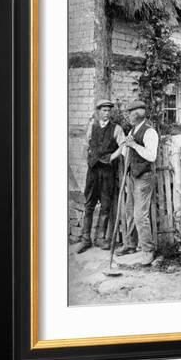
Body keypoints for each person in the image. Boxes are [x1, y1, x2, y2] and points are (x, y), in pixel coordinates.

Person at [76, 99, 125, 254]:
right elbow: (85, 144)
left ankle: (100, 238)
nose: (106, 113)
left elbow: (123, 145)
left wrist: (112, 157)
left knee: (105, 205)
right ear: (98, 112)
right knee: (89, 204)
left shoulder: (116, 129)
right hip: (93, 172)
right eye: (104, 110)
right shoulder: (92, 127)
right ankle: (85, 239)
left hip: (107, 172)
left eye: (109, 110)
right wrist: (87, 160)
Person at [116, 100, 158, 266]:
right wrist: (126, 146)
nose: (128, 116)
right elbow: (128, 154)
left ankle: (148, 250)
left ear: (135, 115)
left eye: (129, 113)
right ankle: (130, 245)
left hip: (144, 177)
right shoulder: (133, 130)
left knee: (140, 215)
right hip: (132, 176)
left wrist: (133, 145)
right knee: (129, 211)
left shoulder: (149, 132)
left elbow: (151, 156)